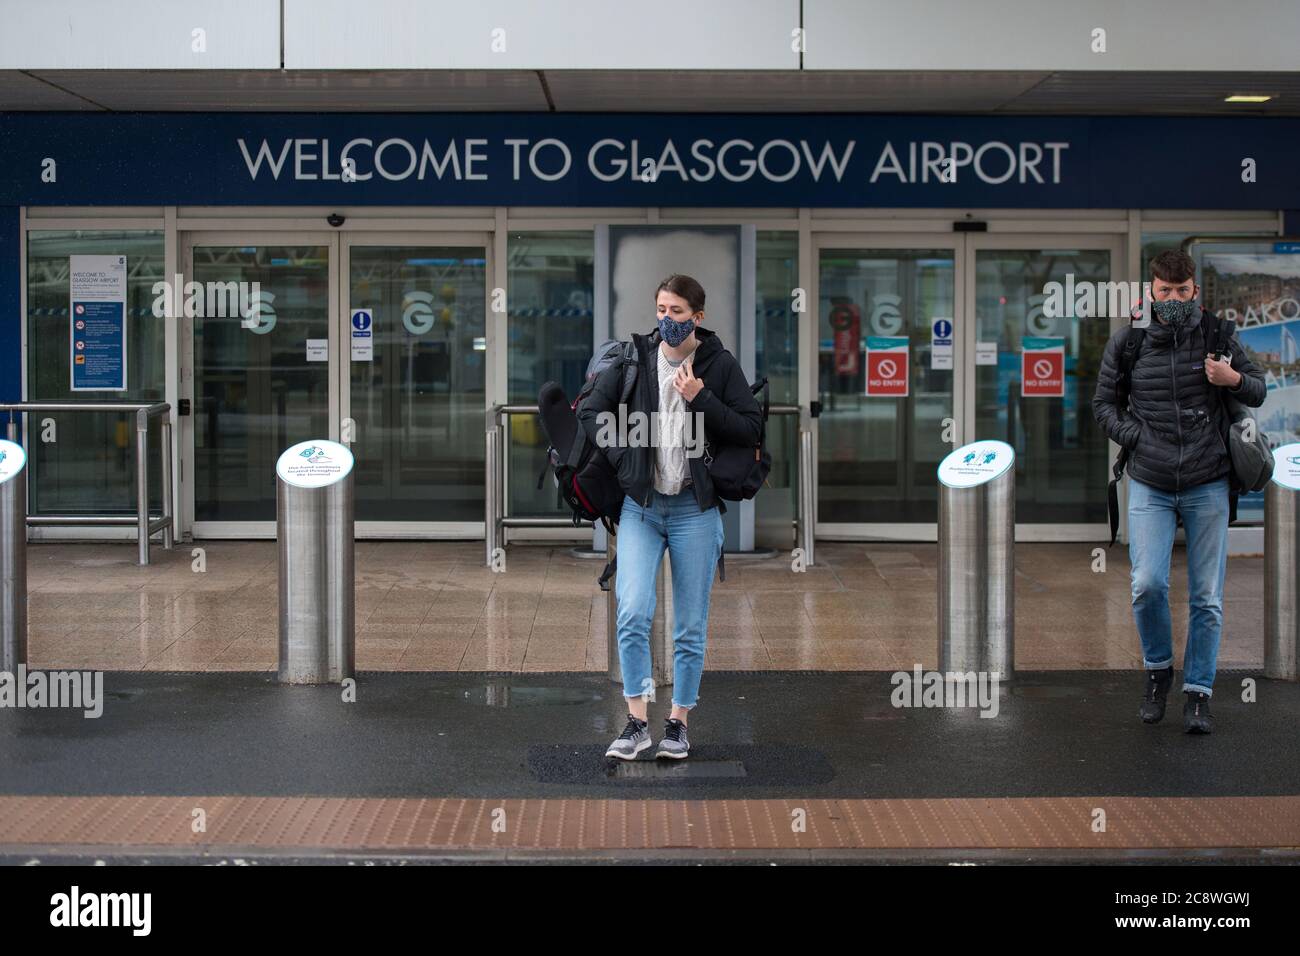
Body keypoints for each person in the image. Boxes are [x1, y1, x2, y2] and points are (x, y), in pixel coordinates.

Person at [577, 274, 763, 759]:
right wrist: (623, 458)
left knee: (689, 624)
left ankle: (678, 723)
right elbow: (591, 411)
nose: (667, 319)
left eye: (677, 312)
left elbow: (750, 427)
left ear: (697, 318)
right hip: (641, 506)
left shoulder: (719, 365)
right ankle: (636, 721)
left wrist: (701, 397)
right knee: (633, 609)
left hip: (693, 510)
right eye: (661, 309)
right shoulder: (635, 358)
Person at [1093, 249, 1265, 734]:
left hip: (1208, 480)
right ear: (1151, 290)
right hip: (1150, 477)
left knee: (1206, 596)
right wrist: (1137, 437)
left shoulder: (1219, 335)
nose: (1173, 299)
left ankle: (1198, 693)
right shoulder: (1128, 341)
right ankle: (1158, 671)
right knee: (1147, 584)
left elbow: (1258, 390)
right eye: (1164, 291)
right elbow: (1103, 405)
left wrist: (1231, 378)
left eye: (1182, 291)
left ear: (1195, 290)